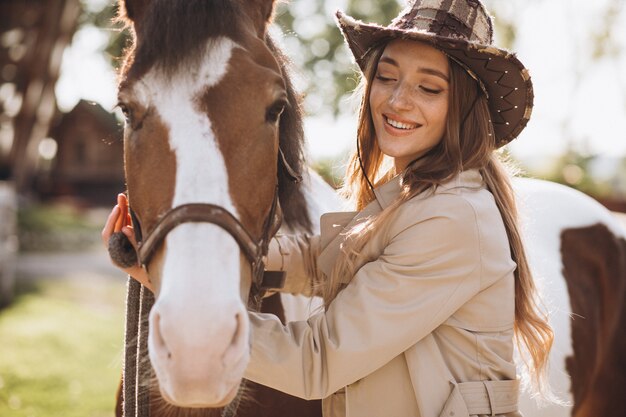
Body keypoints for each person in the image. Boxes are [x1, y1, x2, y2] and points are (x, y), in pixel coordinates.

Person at [103, 1, 553, 416]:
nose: (397, 101)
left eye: (429, 88)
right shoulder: (408, 198)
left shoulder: (454, 218)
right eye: (387, 77)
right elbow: (326, 261)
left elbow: (318, 361)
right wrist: (182, 262)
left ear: (463, 107)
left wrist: (205, 325)